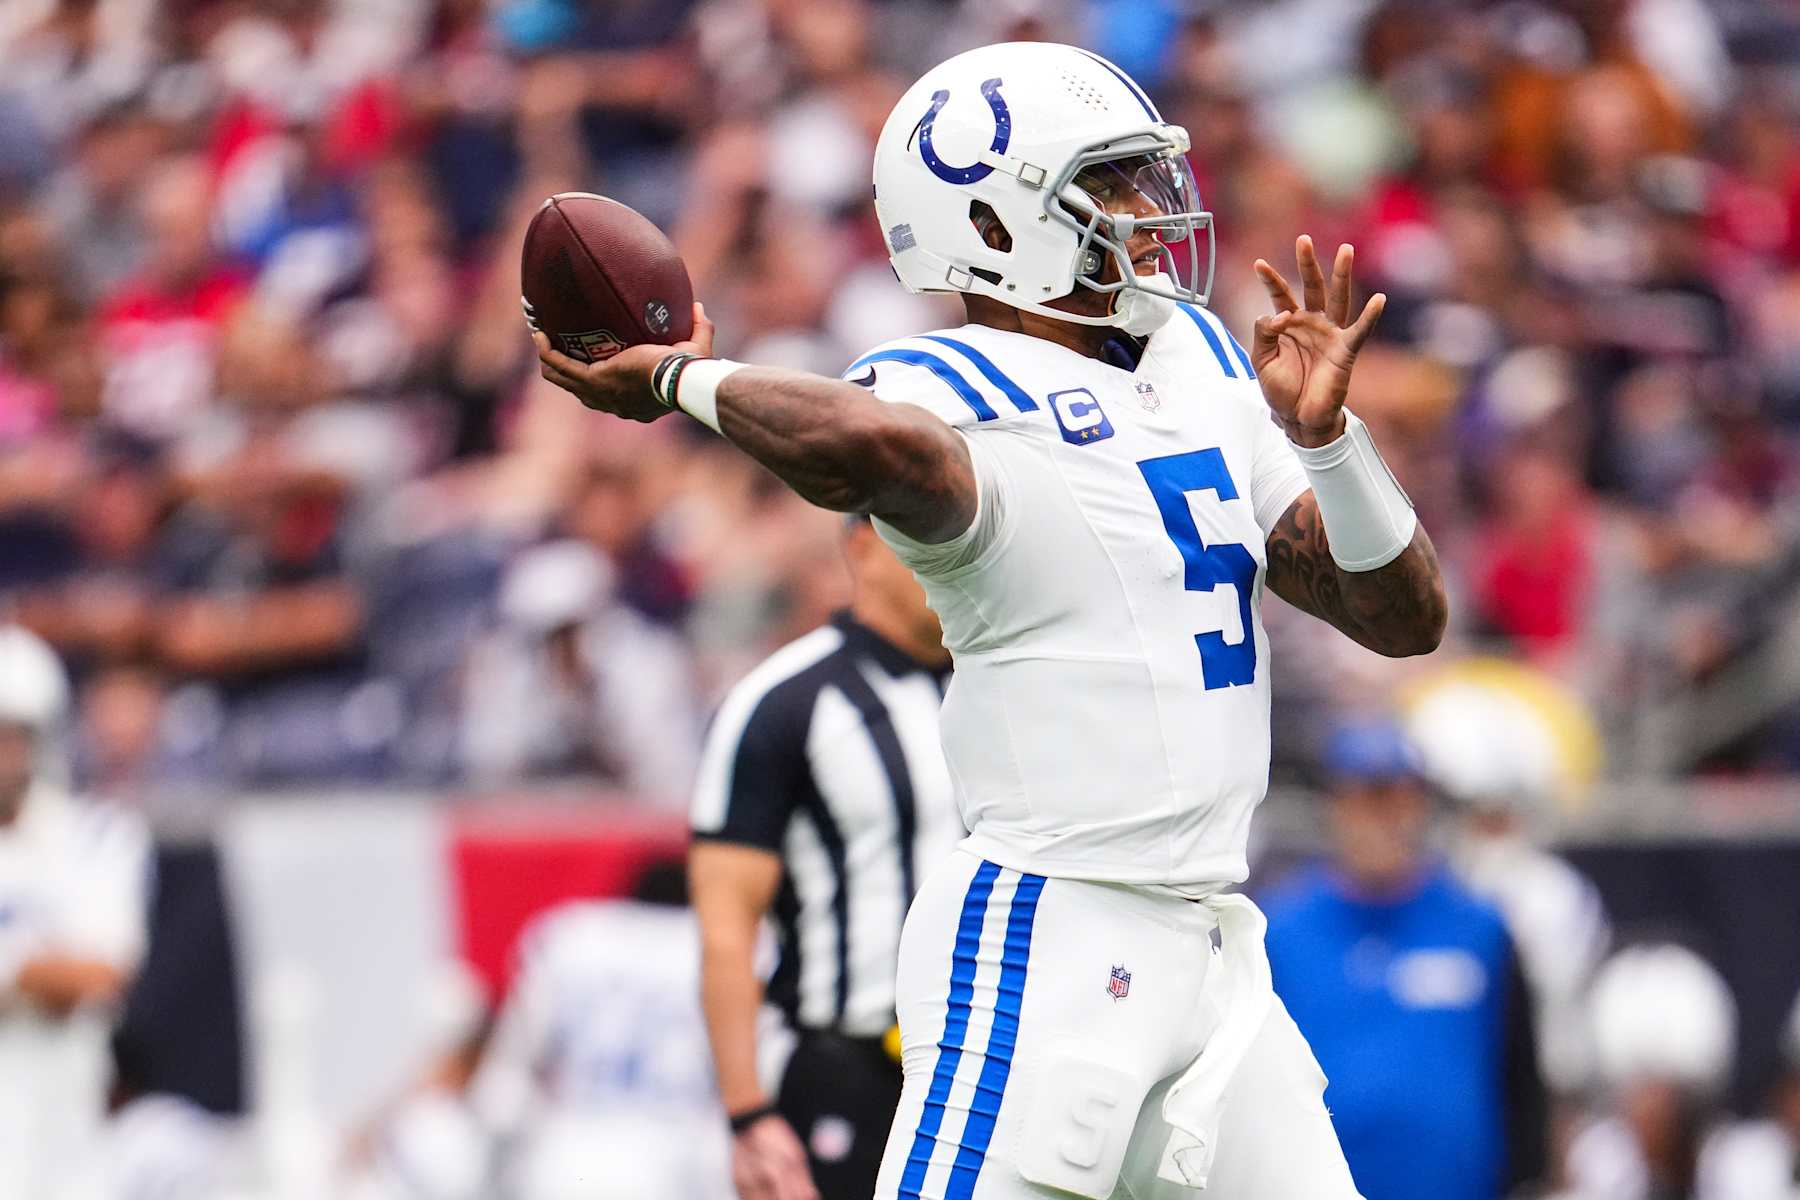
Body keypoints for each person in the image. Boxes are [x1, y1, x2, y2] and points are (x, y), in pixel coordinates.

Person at [534, 41, 1447, 1200]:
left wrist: (1331, 445)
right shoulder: (947, 385)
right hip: (1052, 933)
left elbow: (1403, 616)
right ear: (998, 226)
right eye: (1107, 185)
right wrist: (681, 381)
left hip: (1215, 939)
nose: (1150, 210)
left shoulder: (1197, 357)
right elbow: (875, 447)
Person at [690, 516, 961, 1200]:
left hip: (989, 1064)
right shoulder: (783, 701)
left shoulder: (1007, 691)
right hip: (847, 1065)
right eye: (922, 540)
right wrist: (748, 1113)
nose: (946, 562)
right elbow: (727, 926)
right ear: (863, 547)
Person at [1260, 718, 1547, 1200]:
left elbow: (1521, 1078)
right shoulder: (1278, 933)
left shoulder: (1478, 930)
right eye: (1364, 800)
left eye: (1394, 798)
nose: (1381, 819)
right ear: (1335, 806)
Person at [0, 624, 152, 1200]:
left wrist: (12, 965)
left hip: (61, 1109)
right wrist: (33, 968)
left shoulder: (93, 836)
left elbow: (102, 971)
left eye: (10, 736)